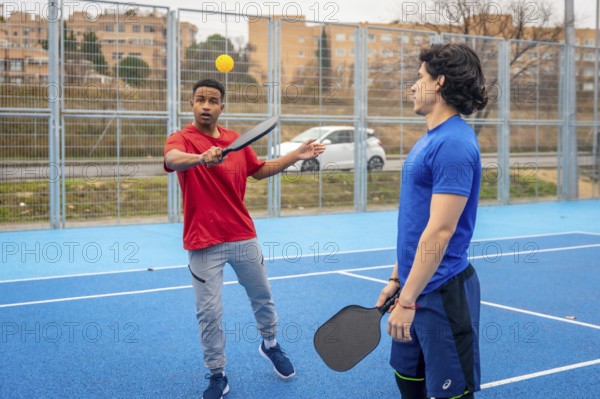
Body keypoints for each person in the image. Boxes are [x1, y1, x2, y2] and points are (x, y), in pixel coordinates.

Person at [164, 78, 325, 399]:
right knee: (209, 313)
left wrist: (295, 155)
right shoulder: (180, 139)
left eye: (212, 100)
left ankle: (270, 344)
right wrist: (201, 158)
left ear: (222, 107)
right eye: (200, 100)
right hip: (202, 242)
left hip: (242, 236)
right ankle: (217, 374)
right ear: (192, 104)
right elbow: (171, 160)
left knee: (262, 296)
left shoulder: (235, 141)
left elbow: (260, 169)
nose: (206, 105)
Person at [375, 43, 488, 399]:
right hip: (414, 285)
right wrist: (398, 278)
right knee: (408, 381)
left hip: (442, 292)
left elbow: (440, 230)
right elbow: (417, 219)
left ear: (439, 82)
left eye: (419, 77)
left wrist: (408, 300)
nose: (412, 85)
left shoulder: (454, 143)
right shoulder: (430, 139)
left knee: (451, 393)